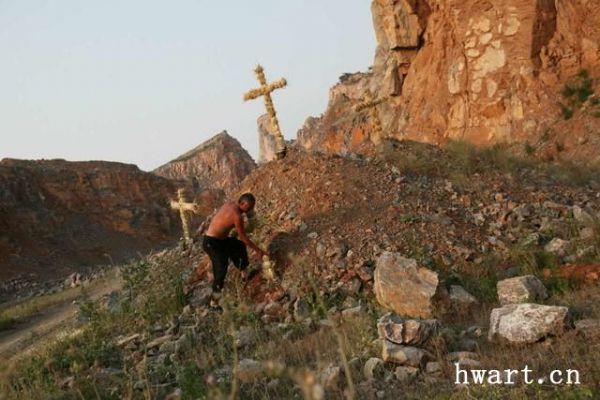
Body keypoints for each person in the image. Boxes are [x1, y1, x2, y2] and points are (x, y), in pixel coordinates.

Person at [202, 193, 268, 293]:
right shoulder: (237, 216)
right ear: (242, 203)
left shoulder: (230, 204)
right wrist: (258, 250)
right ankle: (215, 297)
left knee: (239, 246)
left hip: (220, 240)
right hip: (211, 243)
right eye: (249, 207)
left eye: (252, 207)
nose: (250, 210)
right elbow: (243, 237)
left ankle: (244, 275)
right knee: (221, 268)